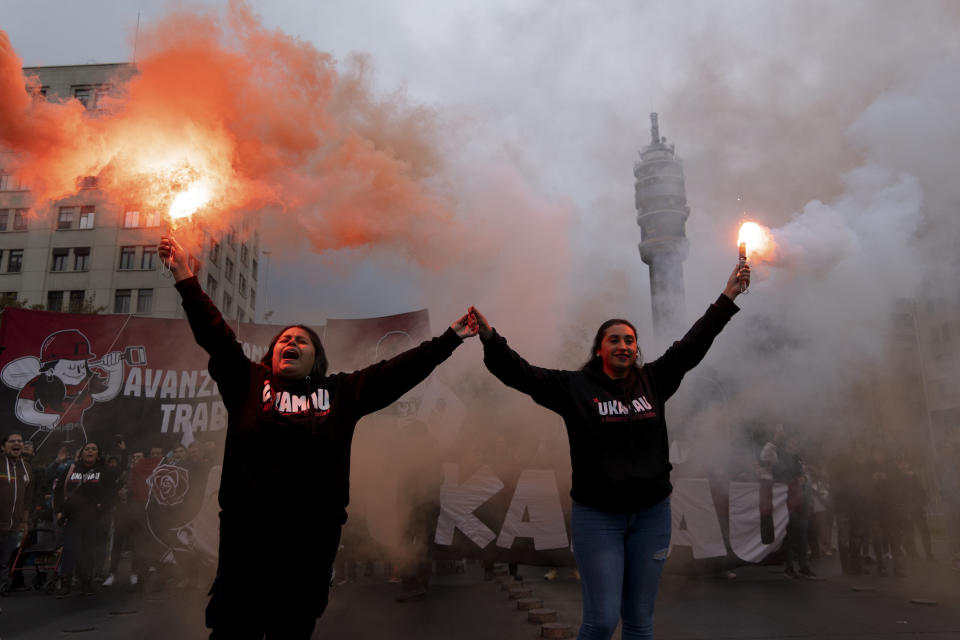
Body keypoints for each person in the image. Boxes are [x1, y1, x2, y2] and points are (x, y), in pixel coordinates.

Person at [158, 236, 477, 639]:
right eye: (284, 340)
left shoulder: (339, 393)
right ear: (271, 355)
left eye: (301, 340)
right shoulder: (247, 382)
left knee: (292, 630)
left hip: (311, 543)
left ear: (316, 358)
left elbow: (397, 372)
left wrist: (450, 338)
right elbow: (214, 334)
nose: (291, 342)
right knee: (234, 630)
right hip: (247, 540)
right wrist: (184, 276)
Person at [472, 263, 749, 640]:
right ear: (599, 349)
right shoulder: (574, 388)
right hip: (598, 518)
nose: (623, 346)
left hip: (652, 516)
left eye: (630, 340)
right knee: (602, 620)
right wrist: (490, 338)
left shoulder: (654, 379)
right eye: (614, 340)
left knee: (638, 621)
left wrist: (728, 296)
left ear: (637, 349)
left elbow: (693, 344)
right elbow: (522, 374)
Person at [53, 441, 116, 596]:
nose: (90, 451)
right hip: (72, 517)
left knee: (88, 551)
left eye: (93, 449)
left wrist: (102, 509)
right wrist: (60, 511)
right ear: (81, 453)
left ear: (98, 453)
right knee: (69, 549)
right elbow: (59, 490)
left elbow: (111, 494)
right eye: (87, 449)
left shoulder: (104, 471)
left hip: (93, 519)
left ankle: (86, 582)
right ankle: (65, 582)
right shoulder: (71, 468)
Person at [1, 433, 32, 590]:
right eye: (12, 441)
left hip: (13, 527)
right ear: (3, 446)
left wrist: (25, 522)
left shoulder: (26, 468)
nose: (17, 443)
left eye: (20, 441)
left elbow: (27, 499)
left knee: (4, 563)